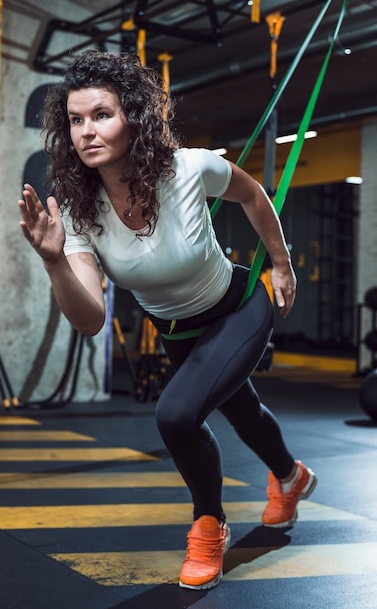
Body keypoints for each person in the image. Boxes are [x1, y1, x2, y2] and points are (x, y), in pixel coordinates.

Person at [18, 50, 317, 591]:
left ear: (134, 114)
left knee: (176, 415)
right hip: (177, 329)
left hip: (238, 306)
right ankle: (292, 478)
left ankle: (209, 522)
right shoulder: (78, 210)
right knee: (243, 410)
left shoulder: (187, 168)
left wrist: (281, 263)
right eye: (75, 120)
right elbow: (88, 320)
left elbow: (252, 194)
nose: (86, 131)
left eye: (101, 114)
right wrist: (54, 260)